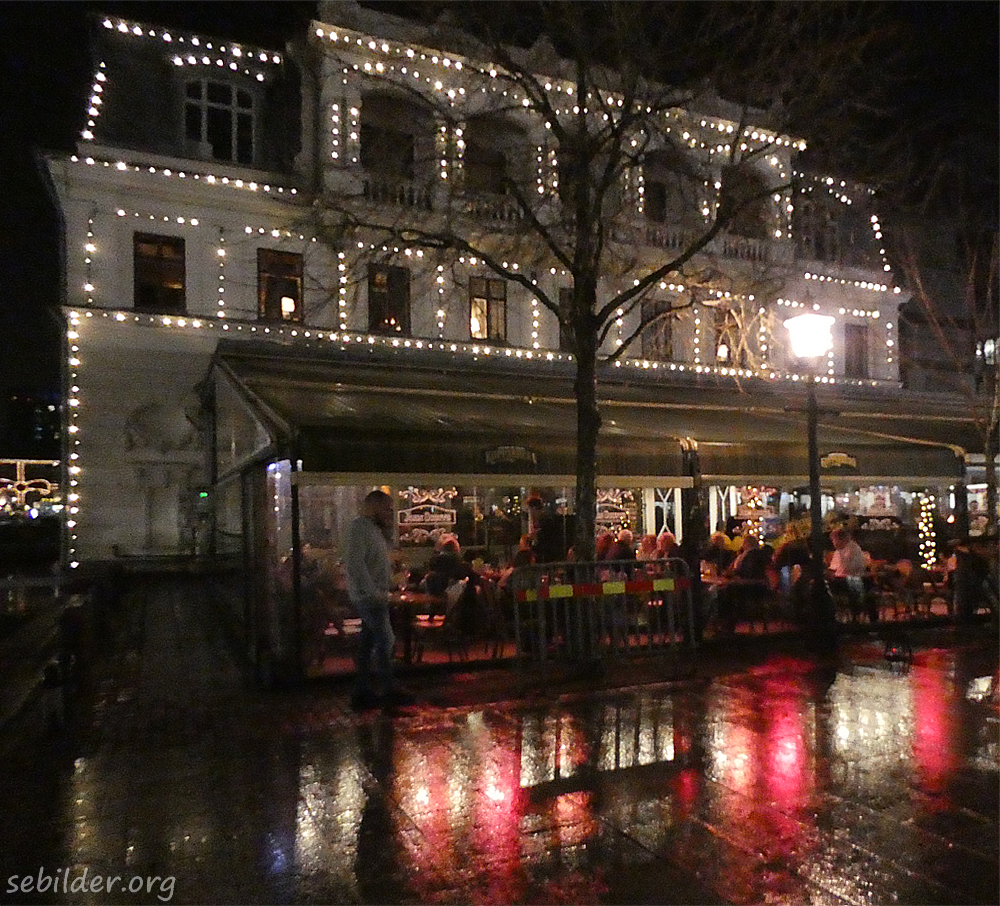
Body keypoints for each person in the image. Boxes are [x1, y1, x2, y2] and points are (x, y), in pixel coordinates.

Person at [344, 489, 413, 711]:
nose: (390, 514)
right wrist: (373, 591)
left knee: (368, 643)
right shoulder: (360, 529)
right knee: (385, 640)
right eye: (387, 509)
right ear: (375, 507)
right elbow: (356, 565)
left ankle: (362, 690)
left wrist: (389, 582)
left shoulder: (373, 531)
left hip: (374, 594)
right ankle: (387, 689)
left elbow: (373, 564)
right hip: (369, 597)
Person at [827, 526, 875, 622]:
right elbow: (833, 567)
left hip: (856, 579)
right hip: (843, 579)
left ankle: (854, 616)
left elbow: (849, 569)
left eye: (834, 540)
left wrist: (834, 574)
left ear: (842, 539)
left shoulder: (853, 549)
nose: (833, 543)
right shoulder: (838, 551)